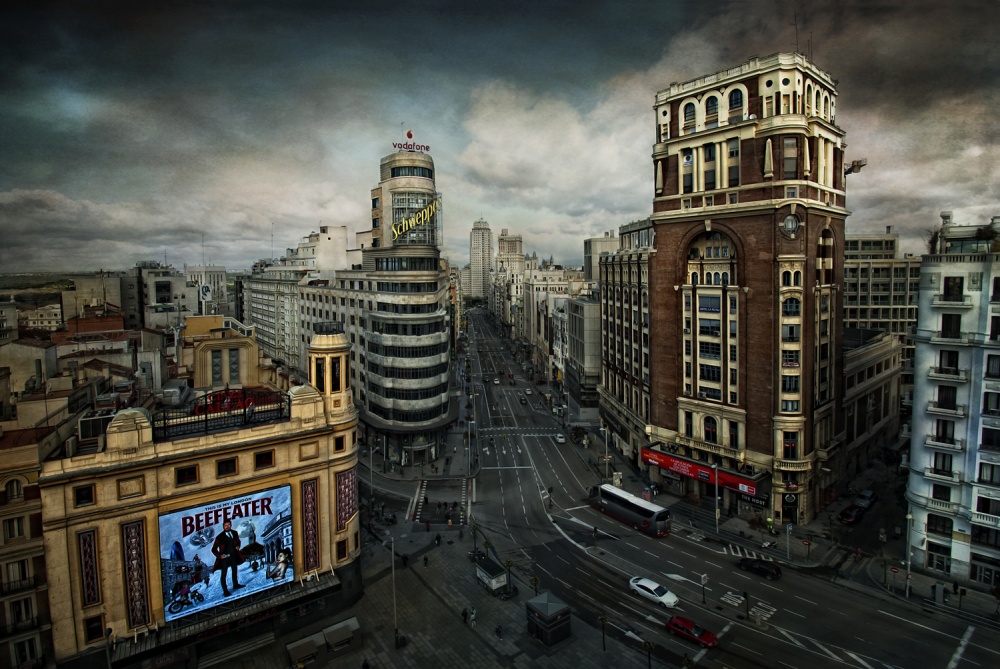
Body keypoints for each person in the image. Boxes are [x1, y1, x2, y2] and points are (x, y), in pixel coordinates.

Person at [211, 520, 245, 596]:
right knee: (224, 574)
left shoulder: (234, 533)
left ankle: (235, 585)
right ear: (223, 526)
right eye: (225, 525)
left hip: (234, 556)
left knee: (234, 570)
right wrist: (220, 556)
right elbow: (213, 549)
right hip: (224, 558)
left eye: (229, 525)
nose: (227, 527)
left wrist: (238, 546)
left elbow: (238, 541)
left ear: (231, 525)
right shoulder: (219, 537)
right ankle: (225, 591)